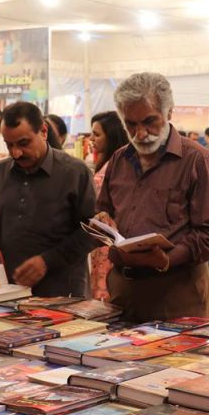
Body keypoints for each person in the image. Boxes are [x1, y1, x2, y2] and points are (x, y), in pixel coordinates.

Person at [94, 72, 209, 321]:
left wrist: (168, 257)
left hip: (177, 296)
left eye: (149, 122)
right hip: (123, 292)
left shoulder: (197, 160)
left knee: (180, 362)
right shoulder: (119, 159)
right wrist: (104, 221)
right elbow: (104, 211)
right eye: (130, 124)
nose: (141, 134)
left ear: (169, 113)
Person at [0, 102, 96, 296]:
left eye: (23, 143)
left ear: (43, 131)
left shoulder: (75, 173)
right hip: (10, 291)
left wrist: (47, 261)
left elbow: (93, 231)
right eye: (9, 145)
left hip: (64, 293)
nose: (16, 153)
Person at [89, 111, 129, 301]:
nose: (91, 139)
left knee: (106, 294)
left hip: (110, 240)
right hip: (105, 239)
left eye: (97, 134)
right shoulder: (110, 163)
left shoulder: (114, 166)